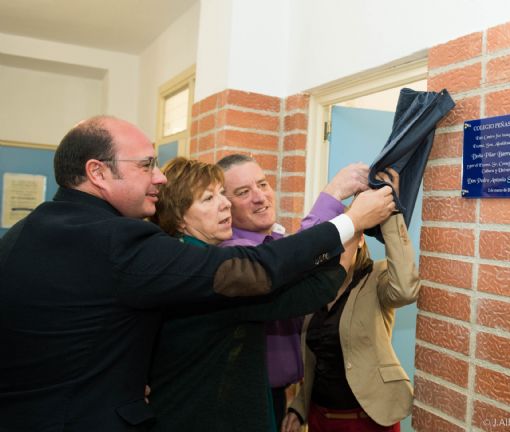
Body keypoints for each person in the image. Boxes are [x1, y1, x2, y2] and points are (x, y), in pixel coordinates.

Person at [0, 115, 395, 432]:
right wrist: (350, 222)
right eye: (145, 165)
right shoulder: (118, 240)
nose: (158, 177)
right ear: (98, 172)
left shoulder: (24, 233)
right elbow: (257, 272)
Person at [147, 157, 356, 431]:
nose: (224, 204)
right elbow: (302, 285)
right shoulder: (213, 267)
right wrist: (353, 223)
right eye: (209, 198)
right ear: (179, 219)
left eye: (222, 194)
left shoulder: (199, 255)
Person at [216, 153, 370, 428]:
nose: (259, 197)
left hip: (286, 397)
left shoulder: (276, 240)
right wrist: (334, 195)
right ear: (224, 205)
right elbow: (294, 262)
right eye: (243, 192)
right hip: (248, 403)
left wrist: (299, 401)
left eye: (262, 185)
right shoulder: (234, 256)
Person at [282, 169, 420, 432]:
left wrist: (390, 213)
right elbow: (315, 361)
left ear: (359, 241)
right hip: (319, 418)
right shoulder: (313, 289)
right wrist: (299, 406)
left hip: (369, 421)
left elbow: (405, 290)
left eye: (345, 236)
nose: (335, 247)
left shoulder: (376, 277)